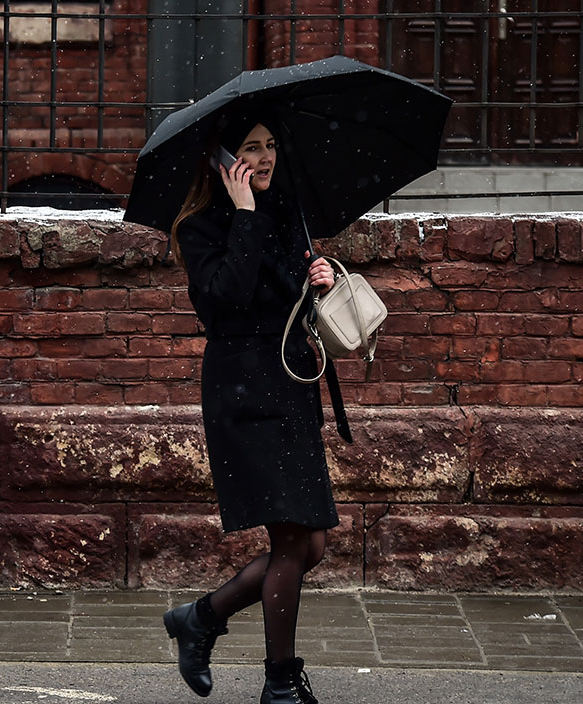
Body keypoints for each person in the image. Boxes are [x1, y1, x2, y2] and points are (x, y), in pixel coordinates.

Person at [162, 116, 338, 704]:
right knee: (292, 539)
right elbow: (226, 301)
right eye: (250, 148)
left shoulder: (288, 211)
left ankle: (202, 618)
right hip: (243, 391)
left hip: (288, 383)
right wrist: (243, 215)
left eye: (270, 145)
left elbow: (284, 300)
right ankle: (281, 683)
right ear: (221, 159)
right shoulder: (201, 224)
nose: (263, 159)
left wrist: (318, 279)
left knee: (310, 544)